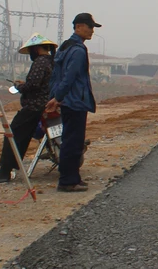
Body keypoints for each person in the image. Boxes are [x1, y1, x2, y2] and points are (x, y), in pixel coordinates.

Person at [0, 33, 57, 183]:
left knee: (14, 134)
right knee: (22, 136)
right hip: (46, 104)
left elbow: (33, 85)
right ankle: (10, 166)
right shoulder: (51, 61)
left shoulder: (40, 62)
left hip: (34, 107)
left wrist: (20, 86)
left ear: (37, 49)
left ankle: (5, 170)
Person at [45, 13, 100, 192]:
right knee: (73, 142)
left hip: (67, 101)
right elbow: (69, 77)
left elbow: (57, 75)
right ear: (78, 26)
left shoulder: (65, 47)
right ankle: (68, 181)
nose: (92, 31)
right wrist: (57, 97)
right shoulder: (77, 50)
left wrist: (56, 96)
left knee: (70, 140)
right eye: (90, 27)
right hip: (74, 101)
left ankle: (72, 177)